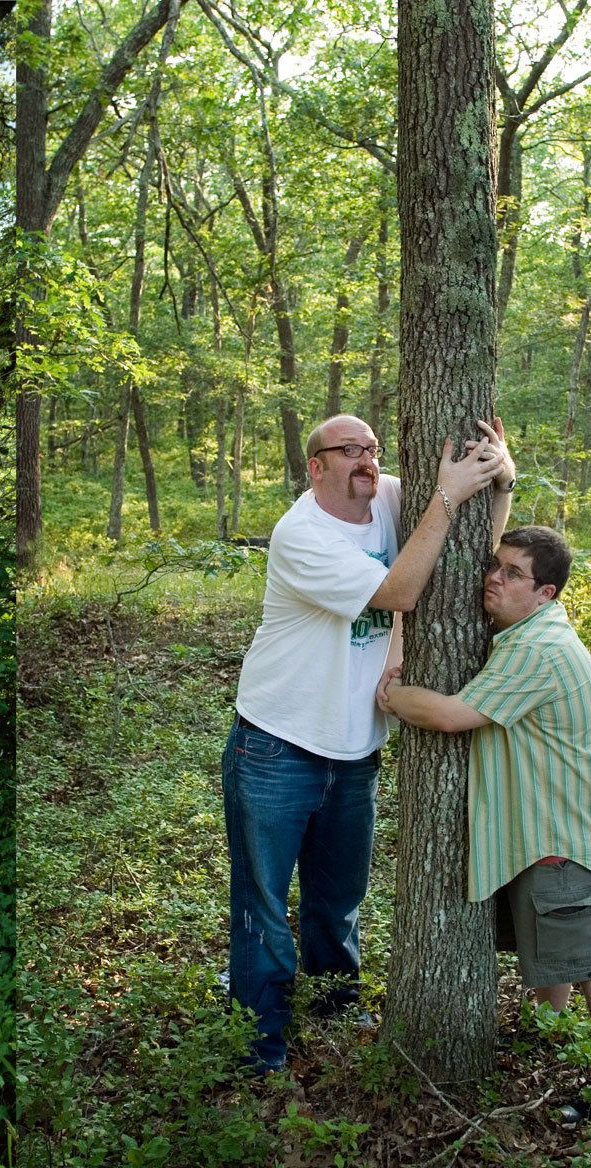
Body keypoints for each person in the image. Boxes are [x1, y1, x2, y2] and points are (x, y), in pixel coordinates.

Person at [222, 414, 513, 1075]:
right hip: (277, 744)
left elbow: (464, 544)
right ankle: (258, 1052)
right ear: (315, 466)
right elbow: (401, 588)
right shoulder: (300, 534)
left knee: (338, 901)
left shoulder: (387, 493)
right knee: (263, 907)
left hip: (355, 749)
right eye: (348, 449)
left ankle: (332, 1009)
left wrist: (501, 480)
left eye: (373, 449)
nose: (366, 459)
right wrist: (447, 497)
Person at [378, 525, 591, 1122]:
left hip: (558, 836)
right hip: (545, 828)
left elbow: (447, 716)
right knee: (554, 952)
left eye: (513, 573)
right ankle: (549, 1032)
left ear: (544, 593)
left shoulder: (537, 649)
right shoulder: (530, 632)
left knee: (587, 958)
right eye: (495, 565)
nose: (493, 577)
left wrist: (394, 695)